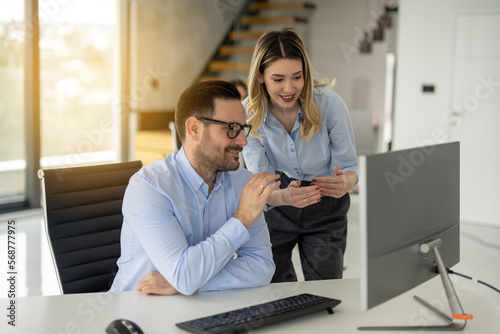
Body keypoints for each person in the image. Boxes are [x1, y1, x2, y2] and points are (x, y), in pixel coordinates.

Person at [110, 80, 281, 295]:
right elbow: (184, 276)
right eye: (231, 128)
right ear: (194, 129)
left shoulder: (242, 182)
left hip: (203, 309)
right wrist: (243, 217)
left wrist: (182, 283)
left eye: (243, 129)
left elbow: (262, 268)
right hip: (136, 315)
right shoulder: (150, 187)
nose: (243, 141)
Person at [242, 28, 359, 282]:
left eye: (297, 77)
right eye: (278, 79)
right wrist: (283, 197)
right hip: (277, 201)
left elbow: (350, 166)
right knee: (276, 289)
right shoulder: (249, 114)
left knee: (325, 291)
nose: (289, 88)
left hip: (326, 201)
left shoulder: (330, 104)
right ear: (260, 76)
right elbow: (260, 180)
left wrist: (345, 183)